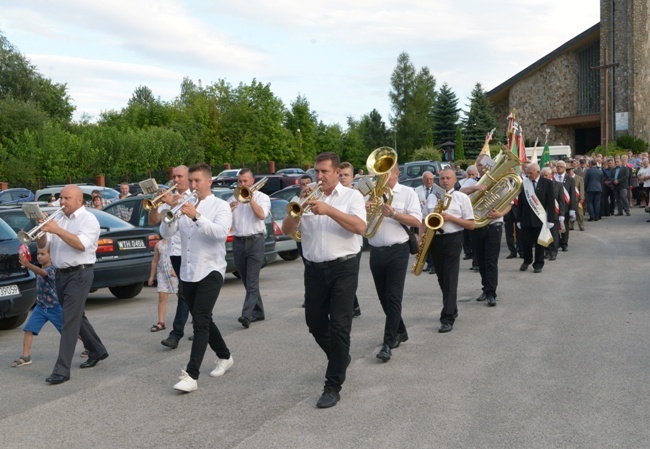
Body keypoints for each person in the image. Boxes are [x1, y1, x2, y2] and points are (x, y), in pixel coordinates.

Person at [281, 151, 366, 409]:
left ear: (337, 172)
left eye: (324, 172)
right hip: (314, 269)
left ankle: (332, 385)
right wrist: (298, 211)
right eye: (316, 172)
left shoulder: (352, 196)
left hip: (344, 267)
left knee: (340, 326)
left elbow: (360, 227)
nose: (319, 177)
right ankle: (340, 359)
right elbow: (286, 230)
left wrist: (328, 210)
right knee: (315, 323)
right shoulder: (304, 197)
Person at [160, 162, 234, 392]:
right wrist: (169, 214)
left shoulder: (220, 206)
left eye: (197, 181)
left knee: (200, 320)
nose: (192, 185)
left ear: (209, 182)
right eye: (190, 181)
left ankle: (191, 375)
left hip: (211, 269)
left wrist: (196, 216)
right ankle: (225, 356)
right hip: (188, 271)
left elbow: (220, 234)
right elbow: (165, 234)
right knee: (204, 319)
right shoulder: (184, 204)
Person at [38, 185, 108, 384]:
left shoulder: (89, 220)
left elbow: (81, 244)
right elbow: (45, 245)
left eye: (67, 198)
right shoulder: (59, 219)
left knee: (68, 319)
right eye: (61, 198)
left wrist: (56, 230)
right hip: (61, 275)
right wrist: (43, 228)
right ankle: (97, 350)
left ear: (79, 200)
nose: (62, 202)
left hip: (80, 273)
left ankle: (62, 370)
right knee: (77, 316)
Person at [367, 165, 421, 361]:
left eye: (388, 172)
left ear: (397, 174)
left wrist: (394, 214)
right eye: (381, 173)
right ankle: (400, 330)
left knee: (393, 297)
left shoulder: (407, 193)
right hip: (375, 251)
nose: (384, 176)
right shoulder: (370, 194)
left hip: (397, 250)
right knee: (383, 298)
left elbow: (416, 220)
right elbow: (362, 223)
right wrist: (365, 211)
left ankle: (387, 343)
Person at [423, 168, 475, 333]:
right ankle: (452, 307)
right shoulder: (432, 197)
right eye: (442, 178)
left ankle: (447, 318)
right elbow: (424, 220)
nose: (445, 181)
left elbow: (471, 224)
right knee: (441, 277)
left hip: (453, 239)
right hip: (434, 239)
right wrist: (420, 238)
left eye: (448, 178)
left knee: (450, 277)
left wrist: (451, 217)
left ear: (454, 180)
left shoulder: (461, 197)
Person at [149, 166, 193, 349]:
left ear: (189, 178)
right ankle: (181, 332)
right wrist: (156, 204)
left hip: (191, 251)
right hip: (174, 253)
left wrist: (174, 203)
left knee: (190, 294)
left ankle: (179, 333)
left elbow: (193, 216)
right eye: (174, 176)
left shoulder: (194, 196)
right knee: (185, 294)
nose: (176, 179)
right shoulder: (167, 198)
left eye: (180, 176)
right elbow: (153, 221)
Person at [463, 155, 509, 307]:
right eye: (478, 165)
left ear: (489, 165)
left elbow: (509, 202)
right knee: (480, 261)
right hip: (477, 226)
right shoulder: (471, 181)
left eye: (483, 165)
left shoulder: (500, 181)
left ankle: (491, 293)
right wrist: (475, 188)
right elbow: (460, 192)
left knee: (491, 261)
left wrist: (500, 214)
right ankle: (485, 288)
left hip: (494, 226)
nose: (480, 167)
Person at [229, 168, 271, 328]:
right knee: (247, 280)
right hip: (238, 242)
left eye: (245, 181)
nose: (242, 184)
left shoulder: (263, 197)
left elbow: (261, 215)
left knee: (252, 280)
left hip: (256, 241)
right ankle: (259, 312)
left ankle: (246, 315)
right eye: (240, 181)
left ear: (252, 181)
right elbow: (225, 224)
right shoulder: (232, 199)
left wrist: (250, 199)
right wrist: (229, 210)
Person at [12, 247, 62, 368]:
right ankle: (25, 356)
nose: (39, 256)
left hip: (54, 308)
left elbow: (42, 273)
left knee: (70, 331)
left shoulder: (52, 269)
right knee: (28, 329)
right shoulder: (40, 268)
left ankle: (89, 346)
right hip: (40, 308)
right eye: (38, 254)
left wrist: (27, 264)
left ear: (51, 256)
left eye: (43, 254)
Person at [516, 163, 556, 274]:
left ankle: (538, 264)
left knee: (540, 244)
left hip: (540, 219)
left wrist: (550, 220)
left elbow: (550, 203)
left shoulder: (547, 183)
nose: (528, 175)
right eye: (527, 173)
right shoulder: (524, 184)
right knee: (526, 243)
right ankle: (527, 261)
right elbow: (521, 203)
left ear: (538, 172)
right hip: (526, 219)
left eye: (530, 173)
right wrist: (519, 219)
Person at [338, 161, 362, 317]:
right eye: (340, 175)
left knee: (347, 279)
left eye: (346, 175)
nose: (342, 178)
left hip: (354, 244)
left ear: (353, 177)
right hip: (337, 244)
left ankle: (351, 307)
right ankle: (354, 306)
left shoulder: (358, 195)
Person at [147, 237, 178, 332]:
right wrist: (152, 276)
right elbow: (155, 261)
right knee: (162, 297)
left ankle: (195, 318)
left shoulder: (177, 242)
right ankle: (161, 322)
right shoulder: (158, 244)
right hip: (162, 274)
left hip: (176, 274)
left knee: (183, 298)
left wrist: (177, 271)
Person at [541, 167, 565, 261]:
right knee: (544, 233)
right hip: (542, 213)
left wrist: (562, 214)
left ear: (551, 175)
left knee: (554, 233)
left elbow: (561, 200)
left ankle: (553, 252)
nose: (544, 177)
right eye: (542, 175)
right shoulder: (540, 184)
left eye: (546, 175)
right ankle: (546, 251)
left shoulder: (558, 185)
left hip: (554, 212)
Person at [413, 171, 435, 273]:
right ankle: (428, 263)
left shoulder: (437, 190)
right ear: (423, 180)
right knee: (423, 243)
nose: (429, 181)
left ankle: (433, 265)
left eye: (431, 179)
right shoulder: (417, 191)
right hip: (421, 220)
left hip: (433, 221)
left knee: (432, 243)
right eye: (427, 179)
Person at [554, 160, 576, 252]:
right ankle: (557, 242)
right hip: (555, 205)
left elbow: (572, 194)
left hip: (566, 206)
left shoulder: (570, 179)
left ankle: (564, 243)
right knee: (555, 225)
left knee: (565, 225)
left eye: (561, 166)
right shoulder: (553, 178)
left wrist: (572, 209)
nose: (559, 168)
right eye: (557, 166)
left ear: (565, 168)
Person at [568, 165, 585, 231]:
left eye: (570, 171)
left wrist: (582, 198)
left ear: (573, 171)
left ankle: (581, 225)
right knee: (570, 213)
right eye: (567, 171)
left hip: (578, 199)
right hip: (569, 199)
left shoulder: (579, 178)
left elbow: (582, 189)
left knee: (580, 213)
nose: (568, 172)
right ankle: (570, 225)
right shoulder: (567, 178)